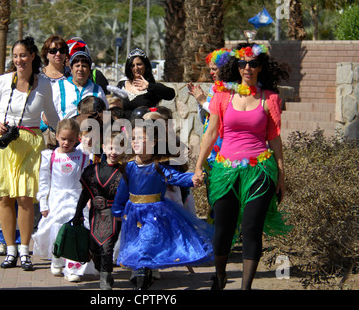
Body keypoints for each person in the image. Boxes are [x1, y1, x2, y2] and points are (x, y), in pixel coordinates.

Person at [192, 42, 292, 290]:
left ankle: (245, 287)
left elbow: (274, 138)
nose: (248, 67)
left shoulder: (270, 98)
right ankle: (221, 274)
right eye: (242, 63)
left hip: (260, 169)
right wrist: (198, 166)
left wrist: (281, 173)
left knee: (251, 227)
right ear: (235, 67)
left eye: (253, 63)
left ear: (260, 67)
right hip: (226, 170)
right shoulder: (223, 96)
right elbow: (211, 133)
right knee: (223, 227)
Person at [0, 36, 60, 271]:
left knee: (25, 198)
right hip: (4, 144)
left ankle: (25, 251)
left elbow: (51, 115)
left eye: (23, 55)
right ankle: (10, 249)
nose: (19, 60)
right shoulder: (3, 81)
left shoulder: (44, 84)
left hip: (31, 144)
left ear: (33, 56)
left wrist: (69, 132)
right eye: (15, 56)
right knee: (5, 198)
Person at [112, 120, 214, 289]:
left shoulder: (158, 167)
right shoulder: (128, 166)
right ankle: (142, 273)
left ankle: (142, 280)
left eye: (141, 138)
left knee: (146, 242)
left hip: (154, 214)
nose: (135, 141)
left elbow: (176, 177)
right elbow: (122, 191)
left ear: (153, 144)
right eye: (134, 138)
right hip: (133, 213)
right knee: (137, 244)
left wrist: (193, 179)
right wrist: (117, 210)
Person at [32, 118, 94, 282]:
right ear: (57, 136)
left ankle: (73, 266)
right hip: (56, 199)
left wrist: (89, 199)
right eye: (63, 139)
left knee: (76, 229)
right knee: (56, 228)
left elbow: (87, 180)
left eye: (71, 140)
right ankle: (57, 258)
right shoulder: (49, 156)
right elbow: (44, 182)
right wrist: (43, 204)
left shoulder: (82, 157)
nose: (67, 143)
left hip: (75, 199)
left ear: (78, 138)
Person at [72, 131, 125, 290]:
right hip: (95, 212)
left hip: (115, 213)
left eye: (118, 148)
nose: (113, 152)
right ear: (103, 148)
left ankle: (105, 278)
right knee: (94, 246)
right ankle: (100, 267)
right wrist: (78, 213)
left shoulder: (125, 172)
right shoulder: (91, 170)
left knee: (107, 245)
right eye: (110, 148)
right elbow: (85, 194)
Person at [187, 48, 230, 224]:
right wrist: (201, 102)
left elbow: (222, 115)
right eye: (210, 69)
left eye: (215, 68)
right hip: (211, 152)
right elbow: (206, 118)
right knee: (213, 194)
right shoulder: (214, 88)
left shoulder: (232, 90)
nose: (211, 72)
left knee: (225, 195)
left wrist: (204, 102)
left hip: (225, 151)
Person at [117, 48, 175, 118]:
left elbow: (171, 94)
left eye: (139, 64)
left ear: (145, 66)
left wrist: (149, 86)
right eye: (132, 66)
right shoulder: (122, 84)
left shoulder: (152, 88)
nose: (136, 68)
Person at [53, 50, 108, 120]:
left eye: (84, 66)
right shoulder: (59, 87)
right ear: (71, 68)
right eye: (77, 66)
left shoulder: (97, 90)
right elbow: (49, 111)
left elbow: (105, 114)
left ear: (89, 69)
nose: (80, 69)